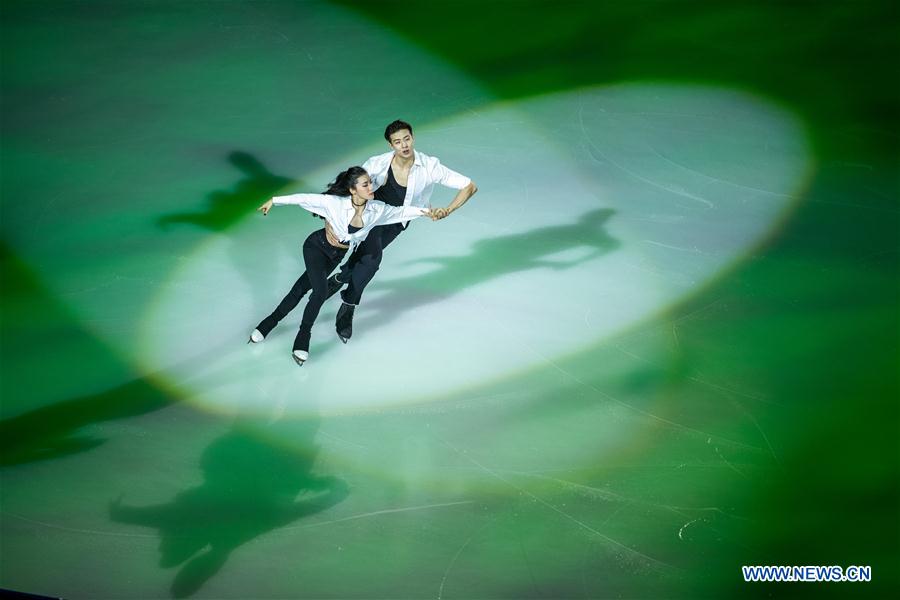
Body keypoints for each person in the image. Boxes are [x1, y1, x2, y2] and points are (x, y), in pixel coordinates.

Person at [249, 166, 432, 365]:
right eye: (365, 184)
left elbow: (401, 212)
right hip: (316, 247)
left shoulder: (377, 209)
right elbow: (303, 198)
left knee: (300, 289)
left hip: (336, 256)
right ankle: (303, 337)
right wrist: (274, 201)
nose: (371, 187)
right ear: (353, 190)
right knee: (320, 291)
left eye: (370, 183)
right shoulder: (334, 203)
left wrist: (428, 212)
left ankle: (266, 325)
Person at [326, 120, 478, 342]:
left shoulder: (429, 166)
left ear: (413, 138)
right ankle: (348, 304)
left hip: (398, 221)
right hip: (372, 214)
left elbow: (469, 186)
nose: (404, 145)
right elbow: (348, 184)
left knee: (365, 256)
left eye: (407, 139)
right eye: (397, 142)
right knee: (371, 259)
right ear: (391, 145)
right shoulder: (377, 164)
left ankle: (341, 276)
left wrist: (448, 209)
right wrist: (330, 219)